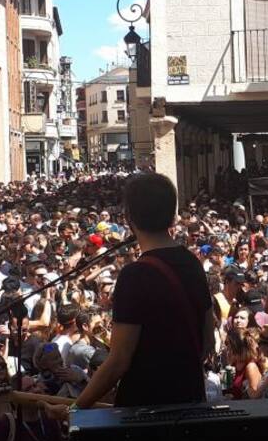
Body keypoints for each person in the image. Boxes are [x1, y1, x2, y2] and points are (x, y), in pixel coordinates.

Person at [75, 173, 214, 409]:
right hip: (190, 400)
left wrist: (75, 408)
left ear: (129, 218)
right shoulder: (193, 264)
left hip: (144, 411)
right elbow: (207, 342)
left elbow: (118, 362)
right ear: (172, 216)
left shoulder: (134, 276)